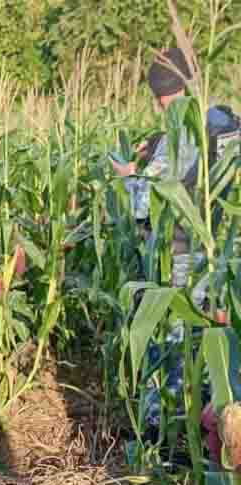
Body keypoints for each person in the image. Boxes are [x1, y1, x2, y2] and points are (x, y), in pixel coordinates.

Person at [112, 47, 240, 436]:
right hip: (226, 258)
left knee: (170, 338)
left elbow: (145, 203)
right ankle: (222, 420)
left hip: (185, 254)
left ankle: (162, 428)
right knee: (221, 341)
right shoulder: (227, 124)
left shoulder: (177, 131)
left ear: (161, 93)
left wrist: (128, 174)